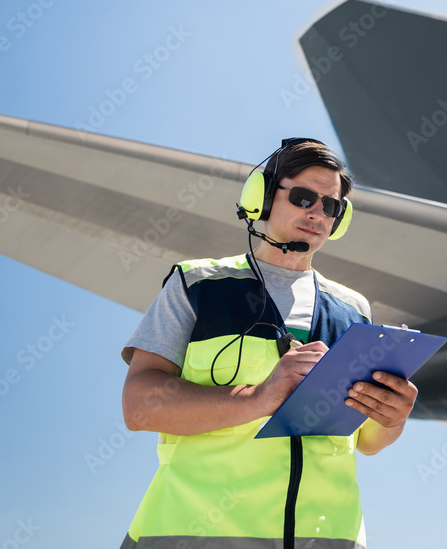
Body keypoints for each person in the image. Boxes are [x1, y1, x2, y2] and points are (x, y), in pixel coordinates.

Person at [118, 138, 417, 549]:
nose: (317, 213)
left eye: (330, 206)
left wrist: (392, 417)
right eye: (302, 197)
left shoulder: (354, 310)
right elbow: (138, 406)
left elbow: (367, 442)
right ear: (260, 197)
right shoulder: (196, 284)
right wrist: (258, 398)